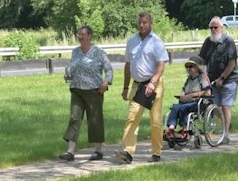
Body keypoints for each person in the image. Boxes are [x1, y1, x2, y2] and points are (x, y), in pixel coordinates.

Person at [118, 11, 170, 164]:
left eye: (145, 23)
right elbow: (128, 65)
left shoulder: (156, 42)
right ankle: (127, 152)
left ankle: (156, 152)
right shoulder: (132, 41)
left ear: (150, 23)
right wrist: (125, 87)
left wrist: (153, 82)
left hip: (154, 84)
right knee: (132, 118)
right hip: (137, 85)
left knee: (155, 121)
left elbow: (161, 64)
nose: (142, 25)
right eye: (140, 23)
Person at [60, 24, 111, 161]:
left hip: (94, 91)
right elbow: (72, 68)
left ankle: (98, 150)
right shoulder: (75, 52)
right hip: (77, 90)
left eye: (83, 34)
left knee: (95, 120)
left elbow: (109, 69)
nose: (80, 37)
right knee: (74, 118)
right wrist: (68, 76)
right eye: (79, 35)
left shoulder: (99, 52)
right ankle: (70, 152)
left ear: (89, 36)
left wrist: (106, 83)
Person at [197, 17, 238, 140]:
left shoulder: (228, 41)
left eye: (215, 27)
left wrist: (222, 78)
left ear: (221, 28)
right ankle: (225, 121)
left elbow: (232, 63)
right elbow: (201, 61)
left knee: (225, 106)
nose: (213, 30)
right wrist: (199, 74)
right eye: (211, 27)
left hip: (229, 79)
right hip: (212, 80)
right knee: (211, 106)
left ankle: (225, 135)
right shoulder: (208, 42)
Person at [165, 58, 207, 142]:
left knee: (182, 108)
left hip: (198, 103)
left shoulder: (202, 78)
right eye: (187, 67)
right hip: (187, 102)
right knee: (175, 107)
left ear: (197, 68)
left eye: (190, 66)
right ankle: (171, 129)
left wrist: (193, 95)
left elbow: (208, 92)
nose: (188, 68)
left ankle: (185, 131)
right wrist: (182, 96)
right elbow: (183, 90)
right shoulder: (189, 79)